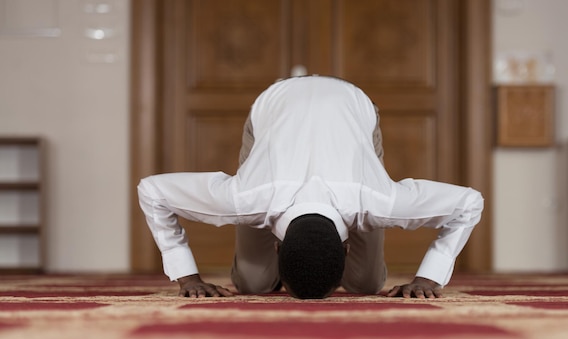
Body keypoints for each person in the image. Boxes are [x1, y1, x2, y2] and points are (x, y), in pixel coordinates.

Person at [138, 76, 483, 299]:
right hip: (273, 108)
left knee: (365, 286)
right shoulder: (246, 197)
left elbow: (469, 202)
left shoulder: (376, 200)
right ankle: (273, 276)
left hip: (354, 107)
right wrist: (186, 276)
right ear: (276, 246)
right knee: (252, 285)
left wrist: (429, 279)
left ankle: (291, 273)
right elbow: (152, 191)